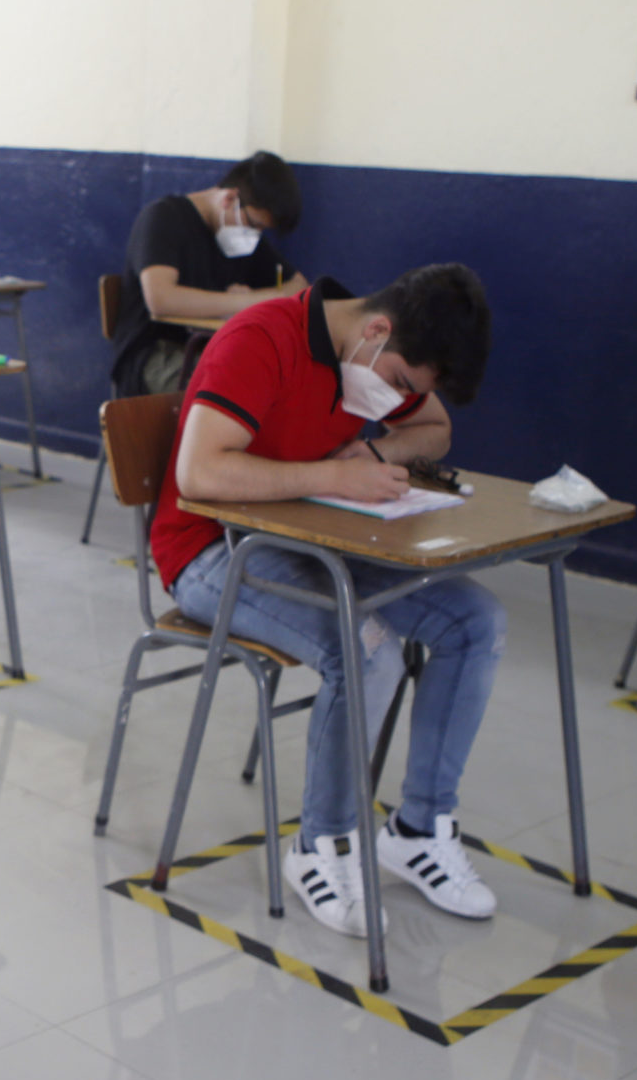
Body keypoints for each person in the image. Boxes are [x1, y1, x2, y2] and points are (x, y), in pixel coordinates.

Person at [153, 265, 502, 937]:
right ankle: (324, 844)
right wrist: (333, 476)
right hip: (211, 550)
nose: (397, 397)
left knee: (475, 621)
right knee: (368, 650)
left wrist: (373, 449)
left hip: (314, 538)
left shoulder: (377, 361)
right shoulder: (261, 338)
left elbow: (435, 428)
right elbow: (199, 471)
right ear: (376, 330)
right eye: (399, 381)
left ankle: (419, 829)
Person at [108, 150, 306, 399]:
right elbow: (161, 299)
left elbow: (298, 285)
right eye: (255, 225)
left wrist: (257, 298)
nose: (255, 235)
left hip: (212, 349)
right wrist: (248, 301)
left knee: (288, 384)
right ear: (230, 198)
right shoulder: (163, 218)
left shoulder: (243, 238)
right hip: (155, 356)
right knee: (241, 393)